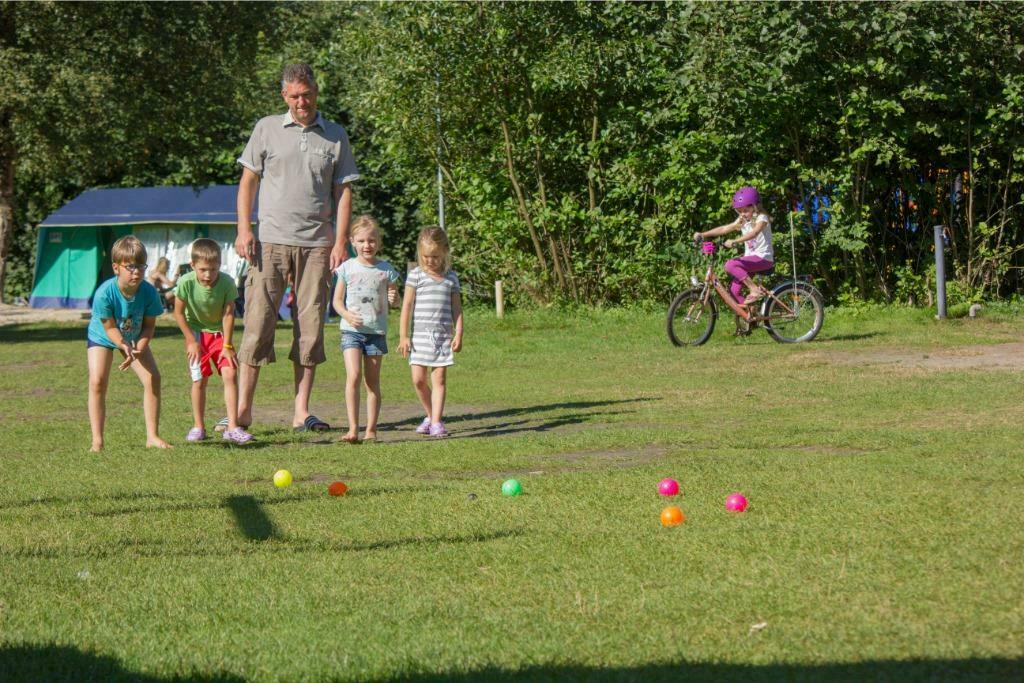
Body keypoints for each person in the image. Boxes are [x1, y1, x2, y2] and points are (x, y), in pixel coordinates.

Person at [234, 63, 360, 433]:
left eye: (307, 95)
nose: (301, 102)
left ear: (316, 92)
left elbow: (344, 191)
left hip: (318, 245)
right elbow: (247, 183)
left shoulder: (335, 135)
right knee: (257, 324)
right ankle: (242, 412)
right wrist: (245, 230)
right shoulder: (266, 128)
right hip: (269, 241)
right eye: (294, 96)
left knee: (311, 328)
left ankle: (301, 411)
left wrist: (340, 241)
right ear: (283, 96)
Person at [86, 235, 170, 452]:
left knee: (153, 378)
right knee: (97, 382)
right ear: (116, 267)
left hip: (134, 337)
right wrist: (124, 346)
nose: (137, 272)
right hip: (103, 336)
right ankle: (97, 441)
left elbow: (149, 326)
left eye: (141, 266)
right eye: (130, 267)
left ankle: (152, 437)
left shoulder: (149, 292)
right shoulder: (105, 293)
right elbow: (109, 327)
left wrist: (139, 348)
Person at [172, 239, 253, 445]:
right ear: (193, 266)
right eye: (203, 270)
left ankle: (233, 427)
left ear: (220, 265)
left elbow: (228, 314)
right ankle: (198, 426)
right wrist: (191, 341)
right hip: (196, 334)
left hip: (219, 335)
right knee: (199, 380)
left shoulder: (226, 283)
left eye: (213, 269)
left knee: (230, 374)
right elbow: (178, 313)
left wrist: (227, 345)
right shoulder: (185, 282)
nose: (208, 275)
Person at [332, 216, 401, 443]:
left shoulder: (386, 270)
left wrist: (394, 298)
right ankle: (353, 429)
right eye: (361, 241)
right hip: (351, 331)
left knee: (372, 382)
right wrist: (346, 315)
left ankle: (371, 430)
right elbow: (337, 302)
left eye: (371, 240)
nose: (366, 245)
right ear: (353, 242)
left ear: (378, 242)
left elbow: (395, 300)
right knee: (353, 376)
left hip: (376, 333)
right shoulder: (346, 268)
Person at [397, 227, 463, 438]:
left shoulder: (451, 278)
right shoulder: (415, 276)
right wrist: (404, 336)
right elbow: (406, 306)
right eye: (425, 256)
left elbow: (457, 309)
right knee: (418, 379)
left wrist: (459, 333)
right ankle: (430, 414)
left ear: (444, 251)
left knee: (440, 380)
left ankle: (436, 422)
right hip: (419, 339)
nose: (430, 261)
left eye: (435, 256)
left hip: (442, 338)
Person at [694, 186, 774, 306]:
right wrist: (703, 234)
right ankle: (750, 316)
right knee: (734, 292)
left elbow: (755, 232)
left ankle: (754, 289)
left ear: (755, 206)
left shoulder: (762, 218)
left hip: (763, 258)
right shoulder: (743, 219)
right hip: (751, 260)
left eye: (746, 210)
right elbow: (725, 228)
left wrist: (736, 241)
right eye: (740, 211)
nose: (743, 213)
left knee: (730, 264)